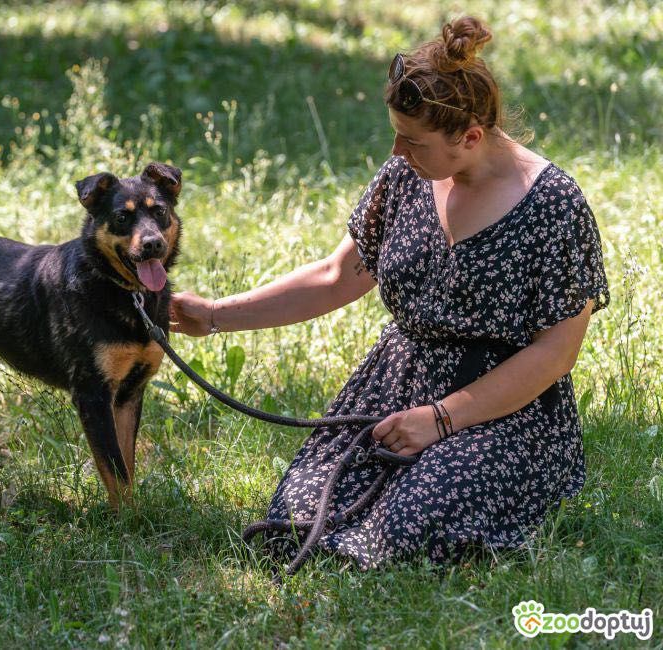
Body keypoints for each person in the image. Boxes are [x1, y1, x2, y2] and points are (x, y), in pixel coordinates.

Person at [169, 16, 610, 569]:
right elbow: (336, 277)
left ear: (470, 137)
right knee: (299, 514)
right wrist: (213, 314)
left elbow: (556, 352)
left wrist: (440, 419)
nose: (397, 151)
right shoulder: (408, 175)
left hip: (503, 408)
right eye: (396, 134)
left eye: (413, 140)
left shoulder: (553, 205)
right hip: (395, 387)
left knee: (409, 528)